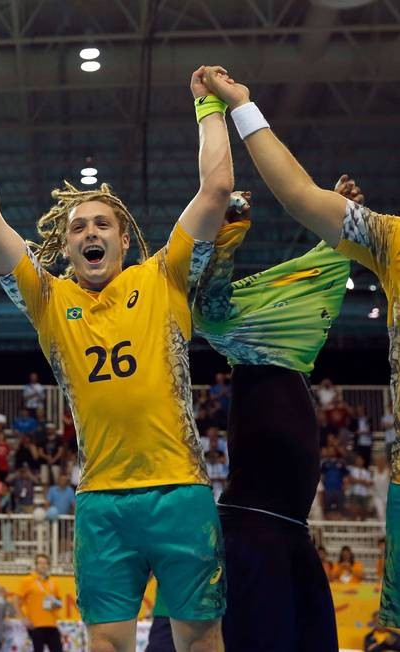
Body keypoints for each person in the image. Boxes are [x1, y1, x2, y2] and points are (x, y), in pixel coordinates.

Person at [0, 65, 233, 651]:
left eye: (102, 223)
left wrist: (210, 108)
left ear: (124, 240)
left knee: (201, 640)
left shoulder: (165, 277)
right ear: (67, 242)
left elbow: (216, 192)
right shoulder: (50, 300)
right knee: (105, 642)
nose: (89, 232)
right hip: (103, 502)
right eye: (78, 227)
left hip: (180, 491)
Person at [200, 66, 400, 632]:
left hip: (281, 536)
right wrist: (234, 106)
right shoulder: (391, 241)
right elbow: (299, 196)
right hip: (262, 535)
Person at [191, 184, 355, 649]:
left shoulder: (290, 362)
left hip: (290, 533)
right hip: (252, 532)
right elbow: (213, 306)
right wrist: (226, 239)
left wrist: (339, 219)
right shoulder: (249, 351)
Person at [18, 554, 63, 652]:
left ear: (49, 565)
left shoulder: (53, 582)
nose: (43, 565)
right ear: (35, 565)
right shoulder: (28, 580)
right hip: (36, 625)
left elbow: (59, 602)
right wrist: (23, 618)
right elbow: (16, 602)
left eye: (45, 563)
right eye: (40, 563)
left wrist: (53, 604)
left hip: (52, 624)